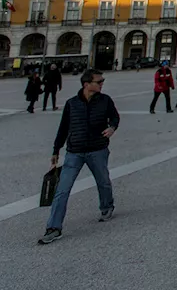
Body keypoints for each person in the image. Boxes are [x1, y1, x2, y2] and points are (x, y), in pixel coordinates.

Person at [39, 68, 120, 245]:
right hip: (74, 151)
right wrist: (55, 150)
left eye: (102, 81)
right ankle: (53, 227)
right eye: (99, 81)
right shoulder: (72, 103)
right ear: (87, 84)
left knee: (103, 181)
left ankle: (106, 206)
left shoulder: (105, 100)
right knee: (62, 190)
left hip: (97, 149)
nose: (102, 83)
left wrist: (112, 127)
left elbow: (115, 117)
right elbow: (63, 127)